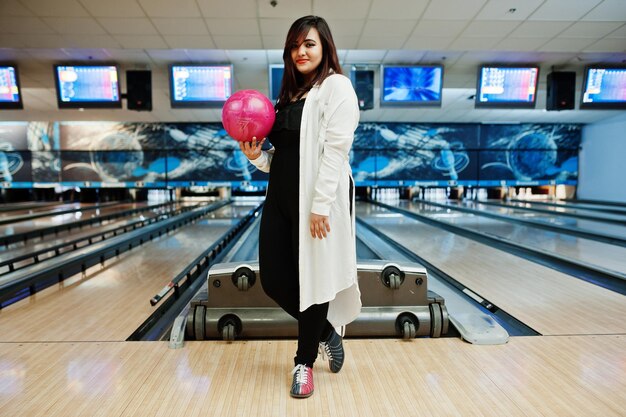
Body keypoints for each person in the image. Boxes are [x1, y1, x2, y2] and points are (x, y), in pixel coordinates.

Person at [239, 15, 361, 399]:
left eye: (308, 44)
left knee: (315, 278)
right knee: (274, 279)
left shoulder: (336, 87)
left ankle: (303, 364)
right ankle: (325, 333)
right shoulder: (288, 96)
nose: (301, 52)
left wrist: (320, 205)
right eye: (295, 46)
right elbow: (285, 158)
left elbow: (335, 152)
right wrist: (257, 156)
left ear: (324, 46)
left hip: (315, 202)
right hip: (279, 198)